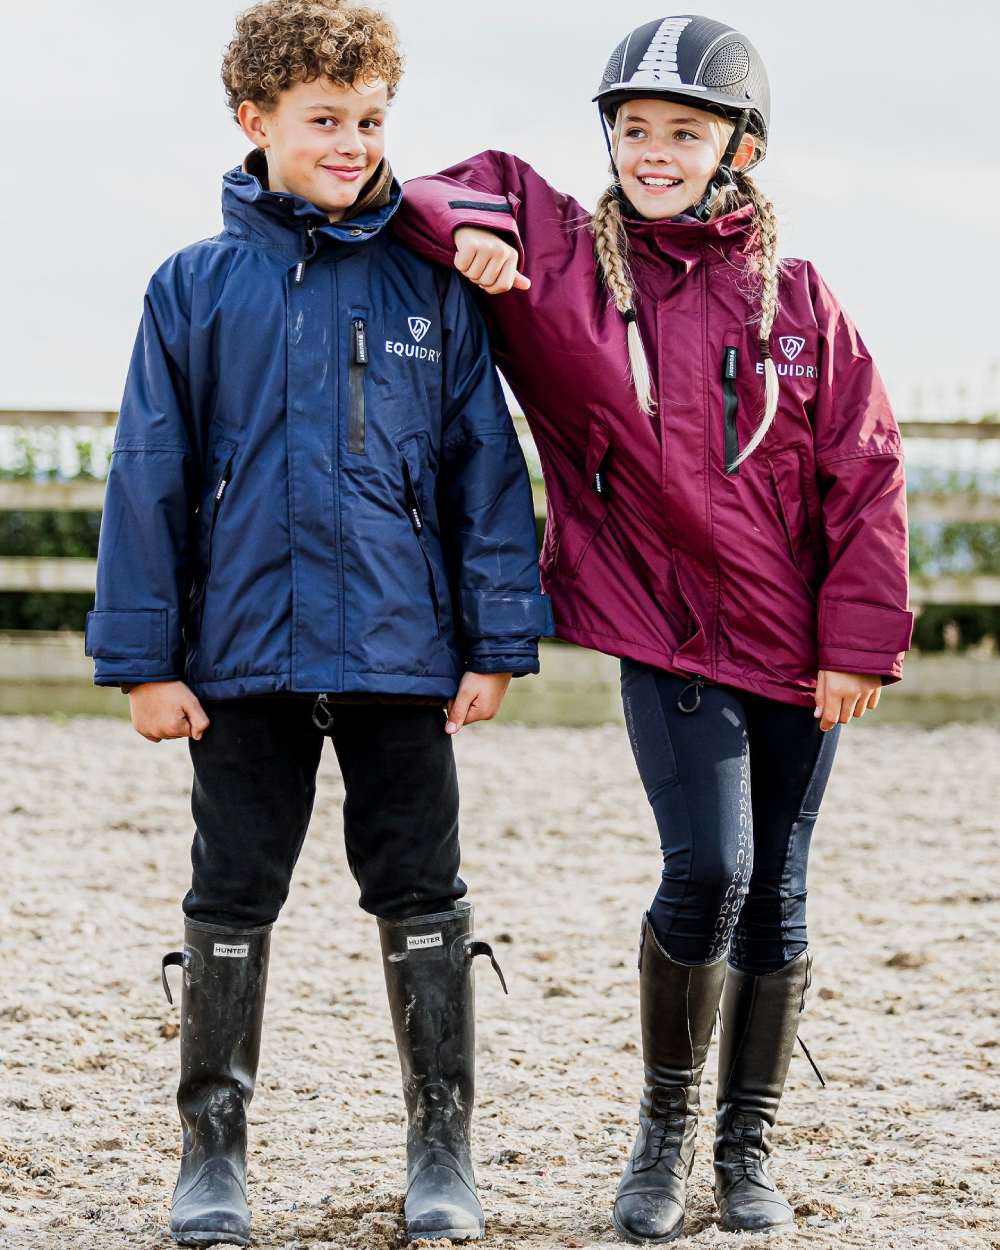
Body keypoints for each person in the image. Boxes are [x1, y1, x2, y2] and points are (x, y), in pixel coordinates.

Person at [392, 14, 912, 1243]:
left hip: (798, 645)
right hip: (666, 631)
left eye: (685, 131)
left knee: (777, 891)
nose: (655, 152)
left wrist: (857, 639)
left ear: (740, 148)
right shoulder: (565, 268)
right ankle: (663, 1131)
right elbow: (435, 187)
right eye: (634, 130)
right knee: (709, 870)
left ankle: (744, 1147)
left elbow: (866, 468)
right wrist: (470, 231)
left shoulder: (797, 298)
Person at [84, 2, 551, 1245]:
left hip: (404, 654)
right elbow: (149, 473)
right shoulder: (192, 287)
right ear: (255, 120)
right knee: (231, 891)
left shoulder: (432, 282)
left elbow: (482, 469)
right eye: (324, 119)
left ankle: (442, 1147)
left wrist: (497, 640)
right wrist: (142, 662)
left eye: (371, 120)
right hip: (239, 660)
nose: (352, 143)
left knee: (423, 887)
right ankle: (212, 1155)